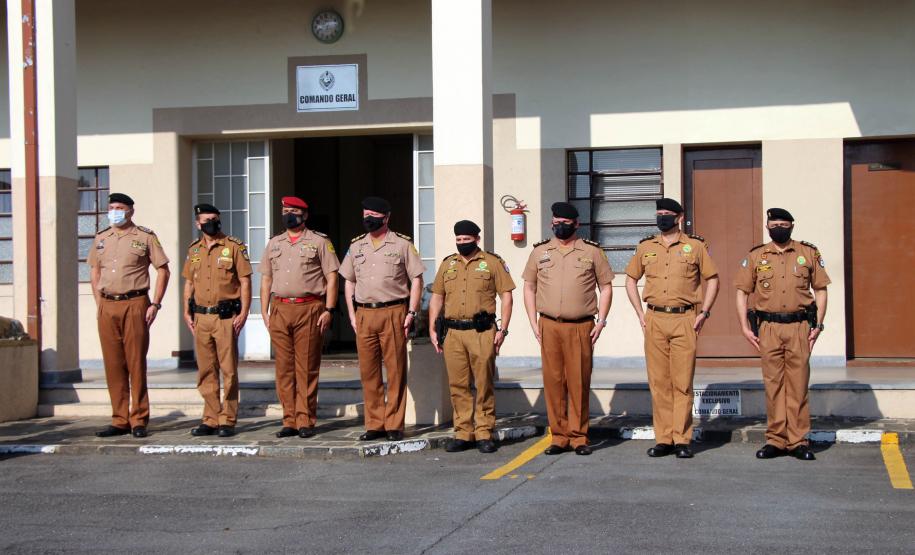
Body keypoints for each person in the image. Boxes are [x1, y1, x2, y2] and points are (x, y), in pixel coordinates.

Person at [624, 198, 719, 459]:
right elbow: (631, 279)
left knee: (682, 383)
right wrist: (639, 314)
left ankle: (682, 439)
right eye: (659, 213)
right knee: (659, 383)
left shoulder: (695, 246)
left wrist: (705, 312)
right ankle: (664, 438)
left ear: (679, 217)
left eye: (667, 213)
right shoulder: (646, 246)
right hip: (654, 319)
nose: (662, 217)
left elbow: (713, 279)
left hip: (684, 319)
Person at [735, 208, 830, 461]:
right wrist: (745, 326)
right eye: (774, 223)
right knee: (773, 385)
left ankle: (798, 441)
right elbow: (742, 292)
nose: (779, 227)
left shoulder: (808, 253)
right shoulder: (756, 255)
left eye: (784, 224)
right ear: (767, 227)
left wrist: (818, 325)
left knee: (798, 385)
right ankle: (776, 440)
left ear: (792, 226)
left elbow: (820, 289)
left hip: (800, 327)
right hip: (769, 328)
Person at [522, 202, 614, 456]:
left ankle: (579, 436)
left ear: (576, 224)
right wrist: (532, 321)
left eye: (565, 222)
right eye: (556, 221)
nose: (559, 226)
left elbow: (606, 287)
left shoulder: (592, 252)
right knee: (553, 381)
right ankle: (559, 436)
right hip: (549, 325)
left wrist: (602, 320)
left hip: (580, 326)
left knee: (578, 381)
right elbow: (528, 286)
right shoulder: (540, 252)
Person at [339, 197, 425, 442]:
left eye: (374, 215)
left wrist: (411, 312)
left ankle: (394, 424)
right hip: (365, 313)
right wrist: (352, 313)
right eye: (365, 214)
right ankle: (375, 423)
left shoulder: (402, 244)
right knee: (369, 371)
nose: (369, 218)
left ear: (386, 217)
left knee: (396, 369)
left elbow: (416, 279)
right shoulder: (356, 246)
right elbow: (349, 281)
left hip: (393, 311)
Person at [429, 220, 515, 454]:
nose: (462, 244)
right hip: (453, 332)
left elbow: (506, 296)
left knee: (484, 383)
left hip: (482, 332)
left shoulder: (492, 263)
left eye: (466, 240)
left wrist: (503, 329)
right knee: (457, 385)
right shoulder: (448, 264)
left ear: (477, 239)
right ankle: (463, 432)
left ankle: (485, 432)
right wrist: (432, 328)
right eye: (458, 240)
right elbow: (437, 296)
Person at [89, 193, 170, 438]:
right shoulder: (102, 237)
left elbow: (163, 270)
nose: (115, 211)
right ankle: (119, 418)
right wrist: (99, 301)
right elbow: (95, 270)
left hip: (135, 303)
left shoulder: (144, 236)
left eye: (120, 207)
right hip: (107, 305)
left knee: (136, 362)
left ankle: (139, 419)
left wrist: (155, 303)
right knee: (113, 364)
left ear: (130, 211)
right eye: (111, 207)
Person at [260, 196, 340, 439]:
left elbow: (333, 276)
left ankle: (305, 419)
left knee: (305, 366)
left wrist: (329, 309)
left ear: (304, 215)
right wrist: (264, 311)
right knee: (284, 369)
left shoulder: (319, 241)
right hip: (280, 308)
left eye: (293, 211)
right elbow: (266, 278)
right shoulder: (274, 243)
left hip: (309, 308)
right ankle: (290, 420)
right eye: (285, 211)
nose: (288, 215)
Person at [182, 203, 252, 438]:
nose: (211, 223)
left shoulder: (233, 247)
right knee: (206, 370)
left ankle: (227, 419)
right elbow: (189, 283)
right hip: (201, 317)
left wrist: (243, 312)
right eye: (206, 219)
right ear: (198, 224)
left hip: (225, 317)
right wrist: (186, 311)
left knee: (228, 370)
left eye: (215, 218)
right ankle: (210, 418)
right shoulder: (194, 250)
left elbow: (244, 280)